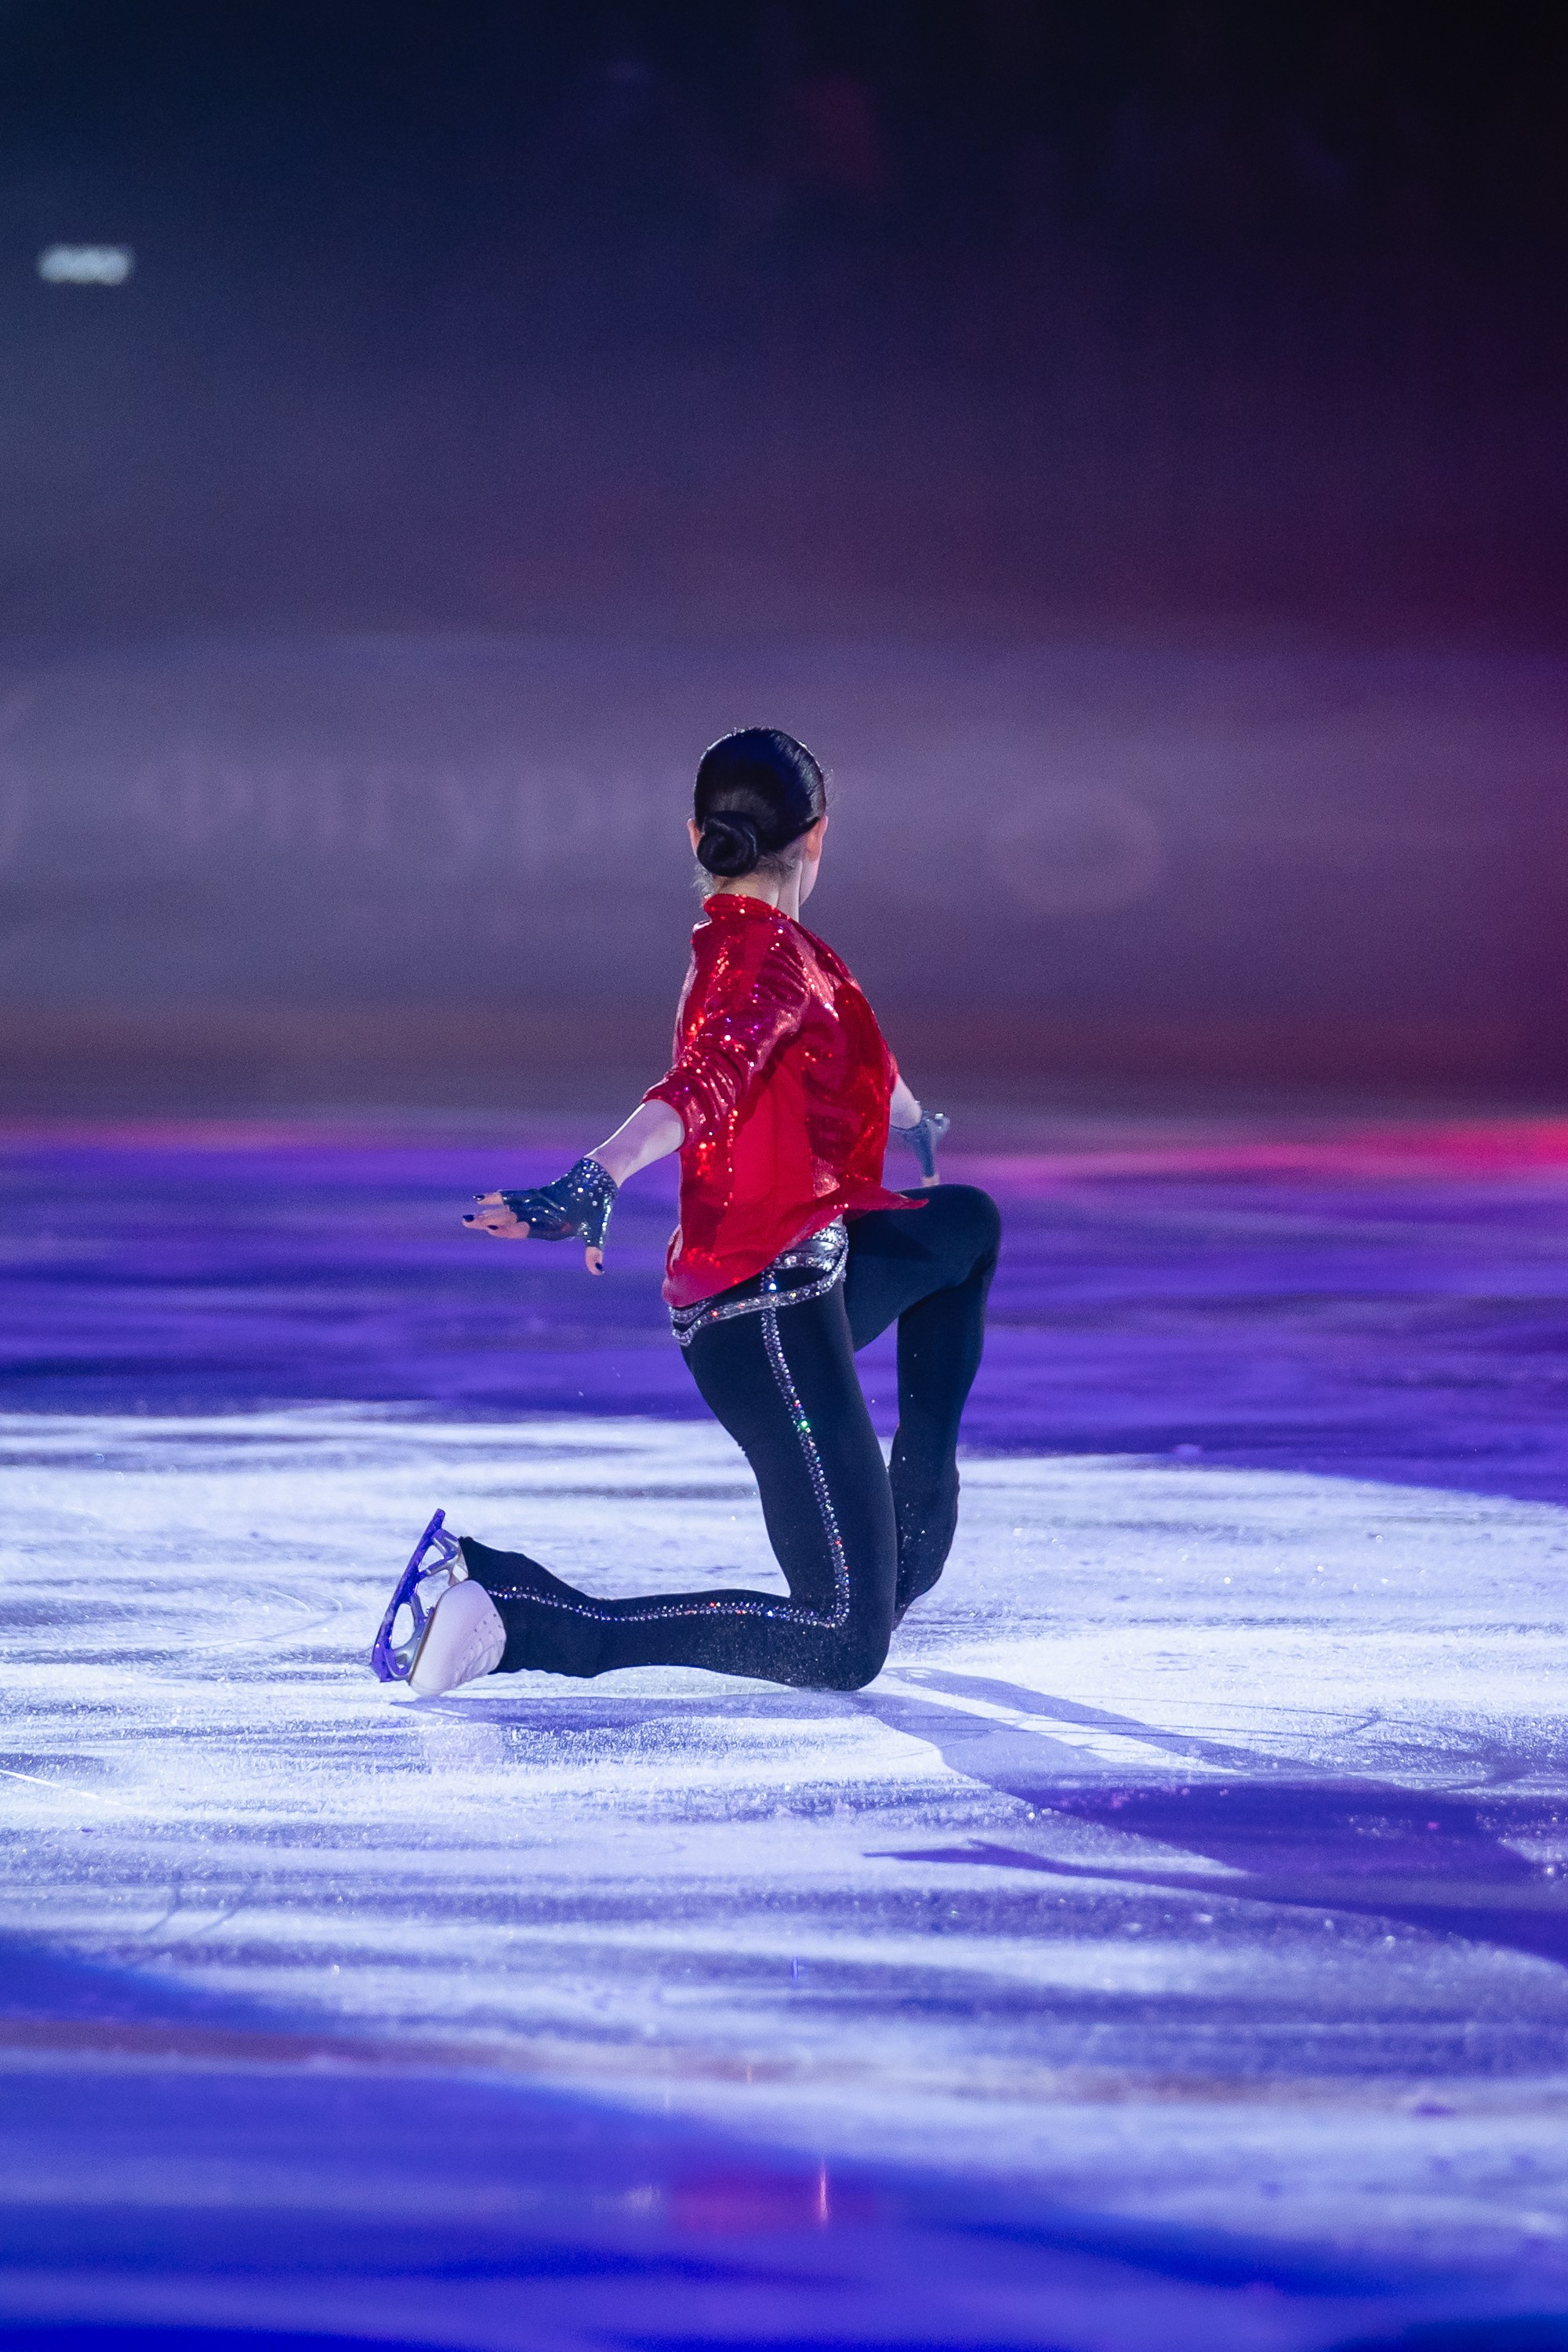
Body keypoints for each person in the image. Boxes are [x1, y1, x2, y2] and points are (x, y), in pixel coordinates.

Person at [370, 728, 1000, 1699]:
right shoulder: (760, 964)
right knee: (841, 1645)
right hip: (764, 1327)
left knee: (961, 1228)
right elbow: (703, 1085)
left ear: (697, 834)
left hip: (808, 1278)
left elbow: (839, 1050)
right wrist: (597, 1175)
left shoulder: (780, 955)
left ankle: (897, 1546)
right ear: (818, 838)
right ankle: (515, 1613)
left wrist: (914, 1116)